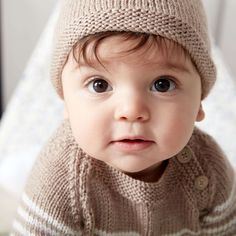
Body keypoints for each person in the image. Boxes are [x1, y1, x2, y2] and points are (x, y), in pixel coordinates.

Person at [11, 0, 236, 235]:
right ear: (66, 102)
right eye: (99, 85)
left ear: (199, 102)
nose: (131, 110)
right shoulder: (59, 179)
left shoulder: (209, 170)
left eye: (163, 84)